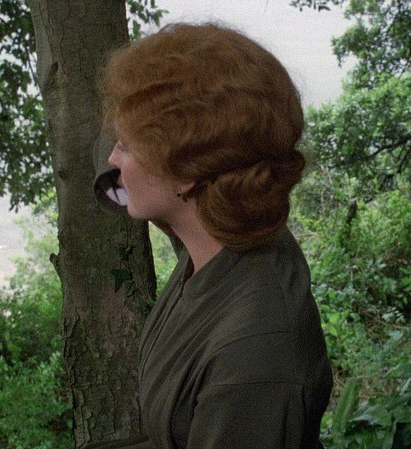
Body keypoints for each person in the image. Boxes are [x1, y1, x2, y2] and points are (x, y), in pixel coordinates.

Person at [90, 22, 333, 449]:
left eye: (125, 145)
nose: (112, 158)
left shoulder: (254, 355)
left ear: (186, 172)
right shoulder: (218, 230)